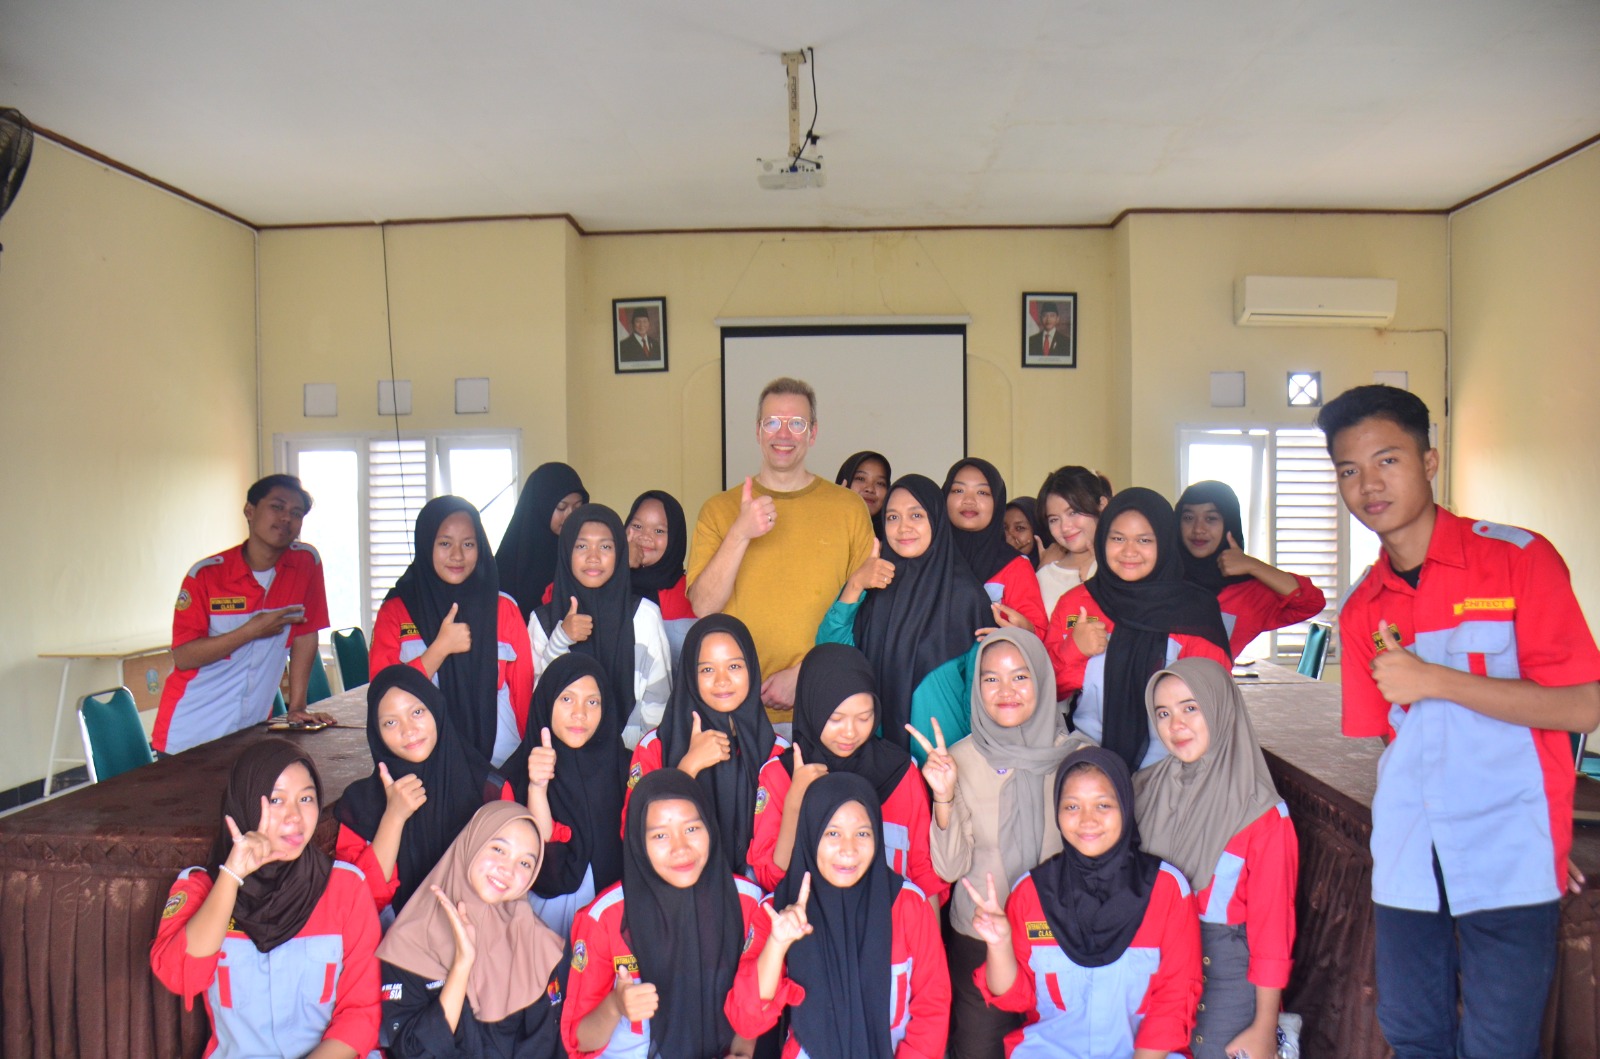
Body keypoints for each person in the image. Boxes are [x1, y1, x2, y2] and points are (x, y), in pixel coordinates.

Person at [1318, 384, 1600, 1059]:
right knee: (1415, 1030)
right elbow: (1397, 740)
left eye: (1387, 460)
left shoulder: (1517, 559)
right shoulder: (1362, 608)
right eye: (1349, 470)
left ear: (1430, 460)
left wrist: (1436, 680)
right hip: (1414, 851)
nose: (1368, 485)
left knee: (1500, 1040)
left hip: (1508, 845)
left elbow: (1583, 703)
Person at [151, 739, 381, 1058]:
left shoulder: (345, 887)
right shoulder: (200, 888)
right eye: (276, 800)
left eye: (306, 798)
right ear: (245, 801)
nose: (295, 817)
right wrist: (231, 876)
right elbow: (182, 977)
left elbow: (360, 1014)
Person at [965, 746, 1201, 1058]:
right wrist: (999, 944)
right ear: (1058, 813)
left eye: (1103, 805)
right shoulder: (1032, 892)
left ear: (1126, 808)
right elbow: (1014, 999)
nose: (1087, 820)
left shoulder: (1167, 889)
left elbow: (1174, 1000)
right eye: (1072, 807)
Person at [918, 629, 1085, 1058]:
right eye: (991, 679)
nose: (1005, 691)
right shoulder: (959, 759)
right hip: (978, 936)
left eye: (1020, 677)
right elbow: (950, 868)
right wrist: (943, 794)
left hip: (1058, 936)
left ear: (1043, 681)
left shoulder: (1079, 760)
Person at [1135, 659, 1298, 1059]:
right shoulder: (1145, 789)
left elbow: (1272, 932)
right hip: (1154, 973)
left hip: (1223, 984)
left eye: (1191, 707)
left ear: (1220, 707)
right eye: (1163, 713)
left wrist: (1263, 1026)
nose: (1176, 725)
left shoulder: (1262, 816)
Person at [687, 377, 875, 715]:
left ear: (813, 433)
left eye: (797, 424)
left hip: (824, 707)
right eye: (772, 422)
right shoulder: (719, 509)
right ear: (758, 431)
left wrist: (806, 673)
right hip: (737, 709)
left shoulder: (848, 508)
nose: (783, 434)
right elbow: (703, 606)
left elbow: (866, 615)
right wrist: (740, 533)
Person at [733, 773, 951, 1058]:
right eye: (832, 833)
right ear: (810, 835)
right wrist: (777, 944)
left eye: (863, 833)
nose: (848, 849)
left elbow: (932, 1006)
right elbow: (746, 1020)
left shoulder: (908, 905)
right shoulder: (776, 912)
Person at [561, 769, 769, 1058]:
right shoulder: (605, 917)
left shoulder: (748, 903)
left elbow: (756, 999)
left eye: (692, 829)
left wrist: (742, 1052)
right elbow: (579, 1039)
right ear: (638, 842)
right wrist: (615, 1005)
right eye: (660, 835)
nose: (680, 848)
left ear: (710, 827)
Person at [1045, 487, 1231, 771]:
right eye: (1117, 538)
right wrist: (1074, 650)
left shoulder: (1194, 610)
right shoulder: (1078, 603)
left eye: (1144, 540)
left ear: (1165, 542)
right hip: (1090, 768)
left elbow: (1215, 701)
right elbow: (1045, 690)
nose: (1129, 551)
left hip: (1174, 771)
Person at [749, 642, 946, 903]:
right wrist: (795, 803)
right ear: (811, 708)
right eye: (835, 719)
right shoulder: (779, 776)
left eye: (864, 718)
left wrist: (931, 943)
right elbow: (771, 879)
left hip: (891, 927)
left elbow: (923, 874)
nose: (850, 732)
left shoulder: (900, 772)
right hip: (808, 930)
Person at [814, 473, 993, 756]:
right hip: (879, 757)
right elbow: (831, 653)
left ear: (936, 519)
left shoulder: (965, 596)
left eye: (916, 515)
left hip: (946, 758)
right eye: (893, 517)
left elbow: (980, 692)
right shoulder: (875, 584)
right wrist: (855, 584)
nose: (903, 527)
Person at [153, 474, 331, 755]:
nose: (286, 518)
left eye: (296, 513)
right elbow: (184, 657)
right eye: (277, 507)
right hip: (190, 731)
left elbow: (305, 634)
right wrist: (251, 631)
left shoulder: (306, 562)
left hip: (253, 729)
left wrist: (297, 706)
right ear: (250, 511)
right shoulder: (207, 576)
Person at [377, 801, 570, 1057]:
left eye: (525, 863)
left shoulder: (534, 942)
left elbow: (545, 1047)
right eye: (499, 849)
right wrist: (462, 965)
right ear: (472, 843)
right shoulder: (410, 940)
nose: (508, 869)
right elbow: (412, 1053)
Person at [335, 665, 511, 913]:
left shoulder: (489, 789)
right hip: (393, 945)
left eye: (417, 712)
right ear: (376, 733)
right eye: (390, 722)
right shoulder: (360, 804)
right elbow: (360, 903)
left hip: (478, 936)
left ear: (436, 710)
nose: (408, 730)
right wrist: (393, 818)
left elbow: (509, 882)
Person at [372, 495, 534, 766]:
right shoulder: (396, 612)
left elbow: (523, 693)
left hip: (501, 765)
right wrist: (439, 649)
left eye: (468, 544)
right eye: (445, 543)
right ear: (426, 545)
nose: (457, 555)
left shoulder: (504, 609)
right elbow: (382, 695)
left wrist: (524, 758)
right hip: (425, 765)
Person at [627, 615, 784, 877]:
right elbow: (634, 835)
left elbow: (772, 864)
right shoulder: (656, 745)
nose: (722, 680)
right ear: (689, 674)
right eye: (707, 669)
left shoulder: (775, 752)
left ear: (752, 670)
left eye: (734, 667)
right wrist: (689, 766)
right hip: (673, 890)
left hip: (747, 894)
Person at [502, 654, 630, 941]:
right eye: (567, 699)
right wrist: (536, 787)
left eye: (592, 702)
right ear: (547, 702)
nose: (580, 713)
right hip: (540, 933)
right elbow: (535, 860)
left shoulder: (628, 768)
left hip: (616, 924)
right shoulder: (513, 777)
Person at [530, 504, 672, 746]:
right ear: (566, 552)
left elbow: (659, 703)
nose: (593, 557)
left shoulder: (644, 616)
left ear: (620, 553)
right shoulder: (543, 621)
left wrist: (641, 768)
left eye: (605, 546)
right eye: (581, 546)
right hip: (561, 763)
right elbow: (539, 701)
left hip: (630, 765)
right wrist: (561, 639)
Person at [1175, 480, 1326, 659]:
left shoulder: (1250, 594)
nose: (1198, 529)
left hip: (1212, 685)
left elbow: (1311, 602)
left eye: (1211, 518)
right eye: (1188, 518)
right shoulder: (1161, 579)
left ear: (1229, 524)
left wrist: (1252, 565)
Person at [943, 458, 1049, 634]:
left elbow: (1038, 631)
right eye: (958, 490)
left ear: (997, 502)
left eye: (982, 492)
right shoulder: (930, 556)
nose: (969, 500)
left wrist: (1022, 631)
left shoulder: (1015, 565)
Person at [496, 462, 589, 623]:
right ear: (540, 506)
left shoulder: (585, 552)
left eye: (578, 507)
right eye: (561, 507)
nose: (570, 515)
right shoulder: (510, 562)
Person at [625, 489, 698, 659]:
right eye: (637, 526)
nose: (645, 537)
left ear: (675, 538)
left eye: (659, 531)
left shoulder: (690, 594)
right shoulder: (605, 581)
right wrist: (617, 563)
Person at [1034, 466, 1112, 618]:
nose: (1065, 527)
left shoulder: (1123, 566)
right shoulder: (1043, 577)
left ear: (1102, 505)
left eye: (1073, 512)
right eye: (1054, 519)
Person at [836, 450, 892, 533]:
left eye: (880, 483)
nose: (870, 489)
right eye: (861, 479)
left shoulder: (895, 538)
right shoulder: (820, 527)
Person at [1003, 496, 1043, 569]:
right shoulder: (991, 567)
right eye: (1004, 528)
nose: (1008, 537)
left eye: (1019, 528)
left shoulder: (1055, 570)